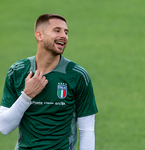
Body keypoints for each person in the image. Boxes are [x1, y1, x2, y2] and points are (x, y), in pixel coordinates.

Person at [0, 14, 98, 150]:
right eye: (57, 30)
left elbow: (87, 130)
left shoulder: (77, 75)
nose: (64, 35)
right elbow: (4, 127)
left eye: (66, 32)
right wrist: (26, 95)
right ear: (39, 35)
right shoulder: (17, 71)